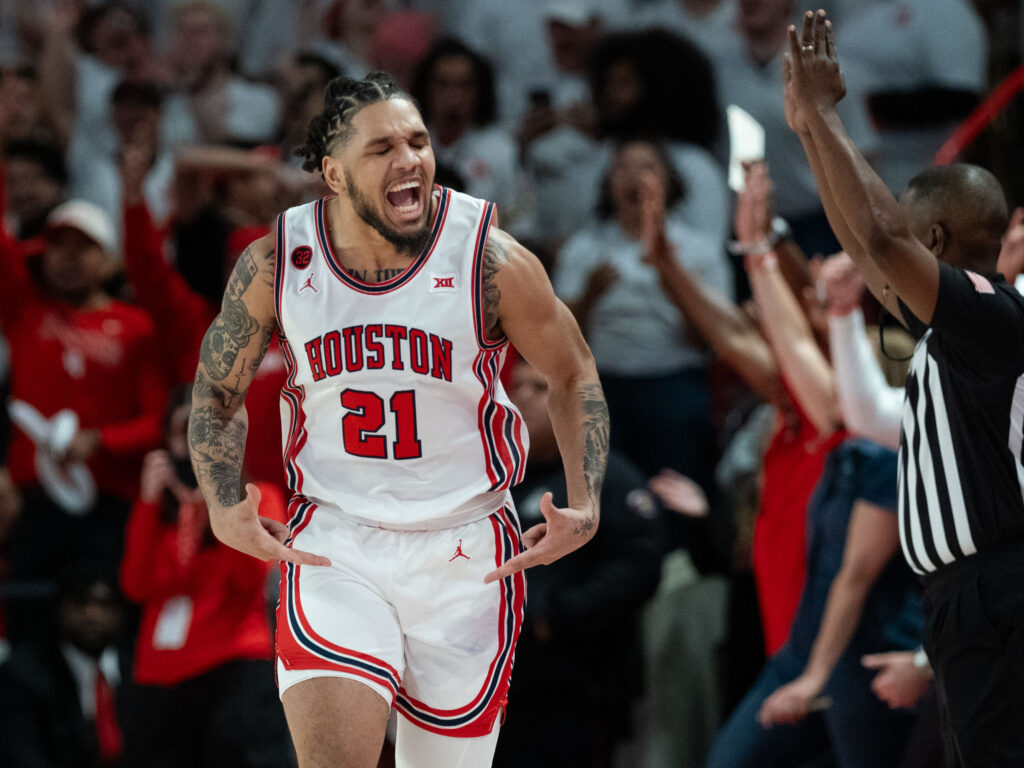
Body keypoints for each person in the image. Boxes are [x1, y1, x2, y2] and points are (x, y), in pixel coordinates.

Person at [187, 71, 608, 768]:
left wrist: (586, 498)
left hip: (467, 550)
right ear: (333, 172)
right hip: (337, 544)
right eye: (381, 148)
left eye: (418, 141)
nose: (409, 159)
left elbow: (572, 371)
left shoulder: (489, 260)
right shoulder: (277, 264)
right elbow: (215, 390)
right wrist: (222, 501)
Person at [785, 10, 1024, 764]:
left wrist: (827, 113)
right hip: (966, 599)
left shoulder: (993, 318)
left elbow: (880, 240)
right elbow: (865, 241)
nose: (889, 271)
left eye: (912, 248)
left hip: (999, 590)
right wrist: (808, 131)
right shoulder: (961, 328)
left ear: (939, 247)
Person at [493, 359, 661, 768]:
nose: (522, 398)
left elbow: (639, 566)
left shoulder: (607, 477)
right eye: (516, 387)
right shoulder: (498, 479)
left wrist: (556, 616)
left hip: (577, 680)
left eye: (538, 388)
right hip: (503, 680)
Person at [119, 388, 292, 768]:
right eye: (186, 429)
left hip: (233, 665)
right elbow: (135, 587)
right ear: (167, 439)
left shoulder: (259, 497)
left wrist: (222, 498)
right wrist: (149, 503)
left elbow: (251, 581)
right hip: (160, 674)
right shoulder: (156, 506)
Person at [0, 562, 129, 768]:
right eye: (81, 602)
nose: (93, 614)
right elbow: (23, 755)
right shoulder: (23, 675)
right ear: (60, 608)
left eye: (106, 604)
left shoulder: (139, 672)